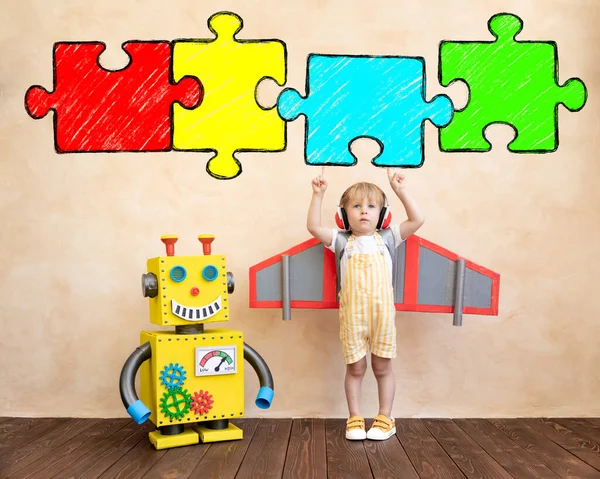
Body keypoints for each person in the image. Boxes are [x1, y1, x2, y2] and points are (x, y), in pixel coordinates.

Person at [306, 167, 424, 440]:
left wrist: (400, 190)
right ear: (343, 214)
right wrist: (318, 194)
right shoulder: (341, 241)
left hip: (382, 318)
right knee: (355, 368)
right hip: (353, 318)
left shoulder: (388, 238)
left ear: (382, 214)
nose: (364, 211)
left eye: (371, 206)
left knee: (382, 368)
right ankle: (355, 418)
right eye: (356, 206)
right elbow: (313, 227)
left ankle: (385, 417)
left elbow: (417, 219)